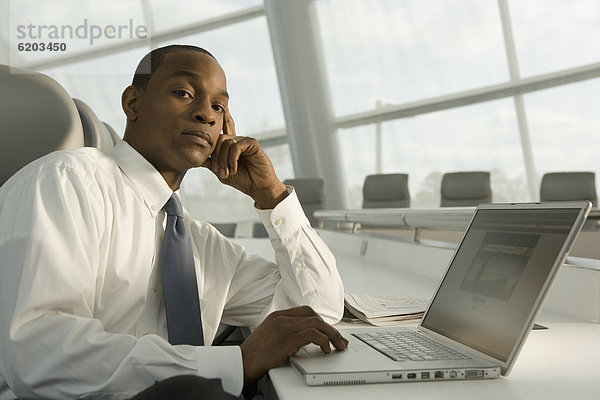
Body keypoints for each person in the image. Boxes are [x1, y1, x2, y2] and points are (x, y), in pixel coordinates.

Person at [0, 44, 347, 400]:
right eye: (184, 93)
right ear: (133, 103)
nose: (206, 115)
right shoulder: (66, 183)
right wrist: (236, 363)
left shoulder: (199, 243)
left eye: (218, 107)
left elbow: (319, 309)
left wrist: (271, 195)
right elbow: (38, 353)